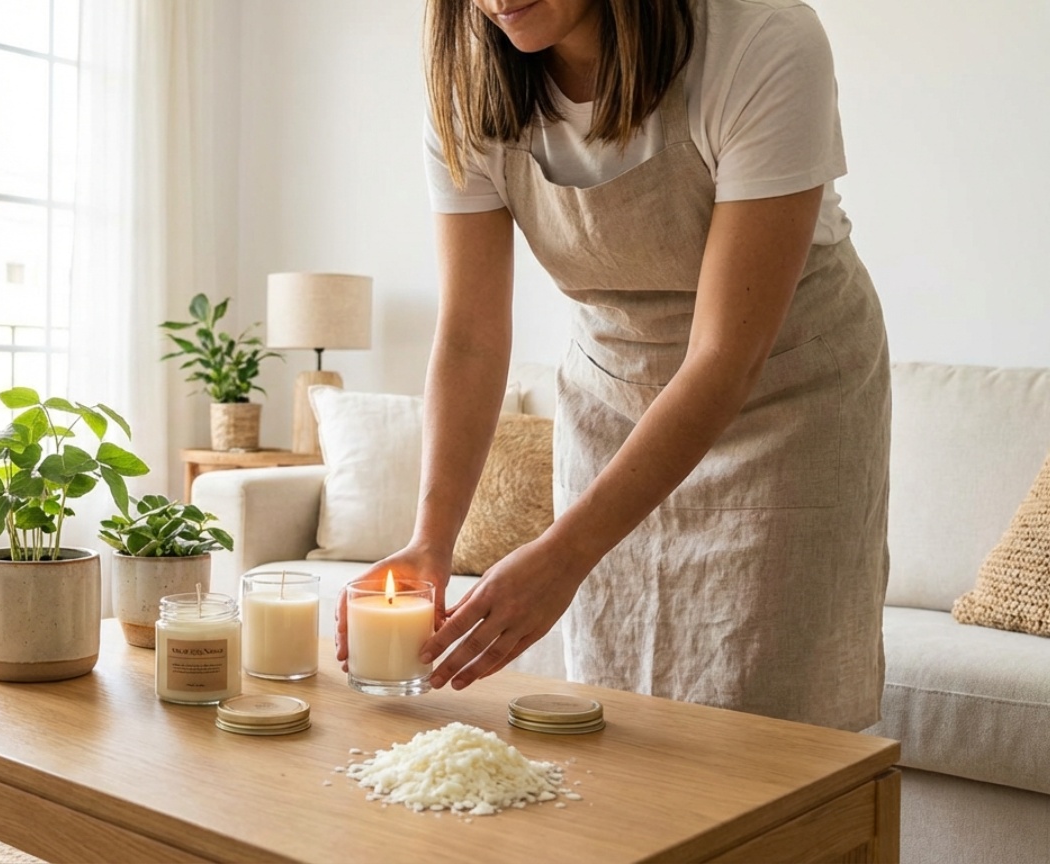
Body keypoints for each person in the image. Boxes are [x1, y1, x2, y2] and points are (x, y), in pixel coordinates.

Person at [335, 0, 890, 731]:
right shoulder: (469, 82)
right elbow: (471, 335)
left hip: (782, 404)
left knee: (769, 724)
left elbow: (725, 354)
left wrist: (564, 555)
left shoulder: (762, 41)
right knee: (614, 718)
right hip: (610, 400)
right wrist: (430, 544)